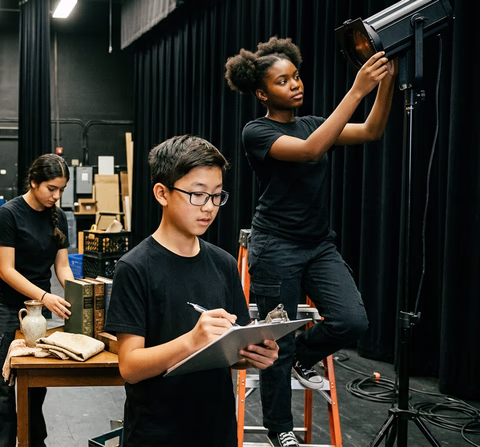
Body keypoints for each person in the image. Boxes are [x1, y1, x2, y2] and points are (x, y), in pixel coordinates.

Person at [225, 36, 396, 446]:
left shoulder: (315, 122)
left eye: (296, 76)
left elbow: (372, 130)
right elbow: (309, 151)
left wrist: (387, 80)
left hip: (319, 245)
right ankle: (280, 429)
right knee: (274, 341)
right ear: (263, 92)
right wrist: (358, 89)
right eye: (283, 81)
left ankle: (304, 354)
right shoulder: (257, 132)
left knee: (352, 320)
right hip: (276, 246)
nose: (296, 84)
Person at [104, 135, 280, 446]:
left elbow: (230, 352)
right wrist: (191, 340)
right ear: (162, 193)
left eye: (216, 196)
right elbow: (130, 367)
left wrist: (253, 354)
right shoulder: (134, 267)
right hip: (157, 433)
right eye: (198, 195)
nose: (209, 208)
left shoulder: (223, 264)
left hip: (216, 429)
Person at [0, 154, 74, 447]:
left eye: (61, 189)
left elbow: (62, 267)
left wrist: (79, 294)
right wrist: (46, 297)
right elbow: (7, 271)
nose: (56, 196)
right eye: (51, 188)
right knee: (1, 387)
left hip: (36, 312)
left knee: (35, 384)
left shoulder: (59, 216)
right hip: (3, 309)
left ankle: (35, 442)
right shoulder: (9, 214)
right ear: (33, 182)